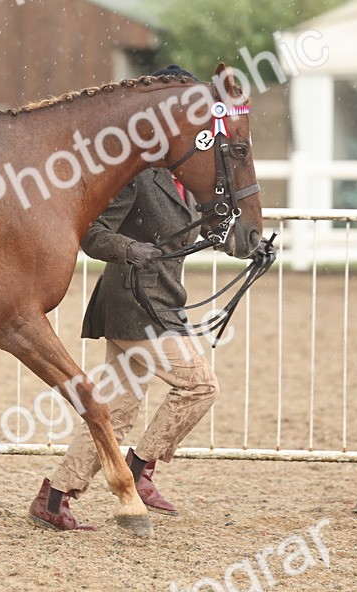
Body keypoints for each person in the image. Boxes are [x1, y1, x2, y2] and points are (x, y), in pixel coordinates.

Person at [28, 66, 223, 532]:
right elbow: (92, 233)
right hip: (134, 301)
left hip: (161, 300)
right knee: (199, 385)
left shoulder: (183, 173)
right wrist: (131, 249)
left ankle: (54, 497)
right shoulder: (135, 174)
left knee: (116, 410)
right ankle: (139, 467)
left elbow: (178, 233)